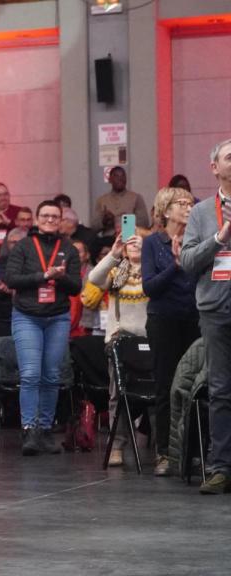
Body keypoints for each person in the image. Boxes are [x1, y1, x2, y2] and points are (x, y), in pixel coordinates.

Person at [5, 200, 82, 456]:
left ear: (61, 221)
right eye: (45, 216)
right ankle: (29, 429)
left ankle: (46, 429)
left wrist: (60, 278)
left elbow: (76, 287)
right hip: (27, 316)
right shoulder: (25, 246)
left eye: (54, 216)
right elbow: (12, 279)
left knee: (51, 375)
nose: (50, 220)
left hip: (57, 318)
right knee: (29, 374)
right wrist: (43, 277)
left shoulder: (68, 248)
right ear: (37, 219)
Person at [180, 138, 231, 494]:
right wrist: (218, 237)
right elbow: (187, 262)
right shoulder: (200, 213)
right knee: (221, 389)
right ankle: (220, 467)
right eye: (230, 156)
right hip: (216, 310)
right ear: (214, 167)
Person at [141, 187, 199, 476]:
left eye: (191, 203)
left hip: (196, 319)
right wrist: (175, 267)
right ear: (165, 211)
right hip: (164, 320)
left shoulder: (198, 241)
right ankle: (163, 452)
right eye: (181, 203)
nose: (188, 207)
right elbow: (149, 287)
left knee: (195, 387)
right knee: (165, 386)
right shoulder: (153, 243)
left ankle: (194, 451)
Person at [81, 235, 148, 467]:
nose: (135, 244)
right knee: (117, 395)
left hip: (149, 339)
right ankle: (117, 445)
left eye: (140, 241)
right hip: (120, 339)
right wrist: (114, 254)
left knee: (158, 392)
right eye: (131, 242)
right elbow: (94, 278)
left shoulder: (152, 269)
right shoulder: (119, 270)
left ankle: (164, 449)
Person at [92, 166, 150, 232]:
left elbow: (144, 223)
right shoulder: (102, 200)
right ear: (110, 179)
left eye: (123, 176)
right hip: (108, 239)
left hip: (129, 237)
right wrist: (104, 221)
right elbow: (93, 227)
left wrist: (119, 219)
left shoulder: (136, 198)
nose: (120, 179)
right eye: (116, 176)